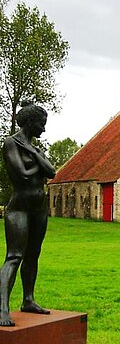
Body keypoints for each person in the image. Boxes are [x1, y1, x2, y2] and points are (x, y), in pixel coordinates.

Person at [0, 101, 56, 327]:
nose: (44, 129)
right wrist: (38, 162)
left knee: (33, 254)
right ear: (31, 122)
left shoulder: (35, 149)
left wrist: (36, 157)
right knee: (14, 256)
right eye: (42, 124)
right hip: (20, 207)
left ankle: (28, 299)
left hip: (39, 207)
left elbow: (52, 172)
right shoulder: (10, 143)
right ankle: (2, 308)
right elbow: (22, 174)